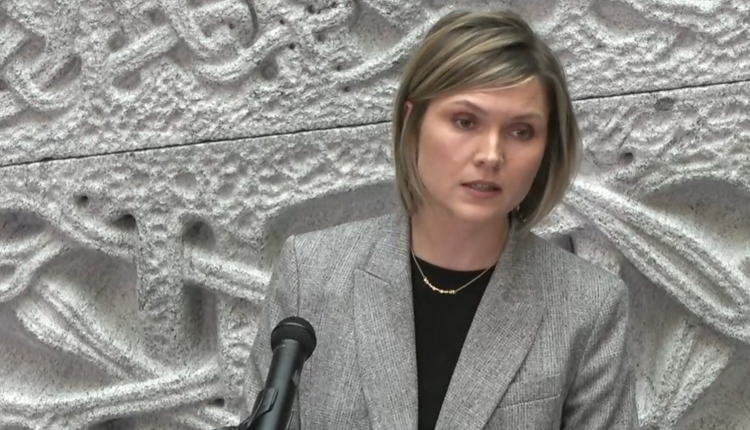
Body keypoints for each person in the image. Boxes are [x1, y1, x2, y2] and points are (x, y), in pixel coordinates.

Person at [243, 9, 638, 430]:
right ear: (413, 123)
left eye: (521, 131)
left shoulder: (588, 306)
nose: (491, 155)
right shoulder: (312, 273)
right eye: (465, 122)